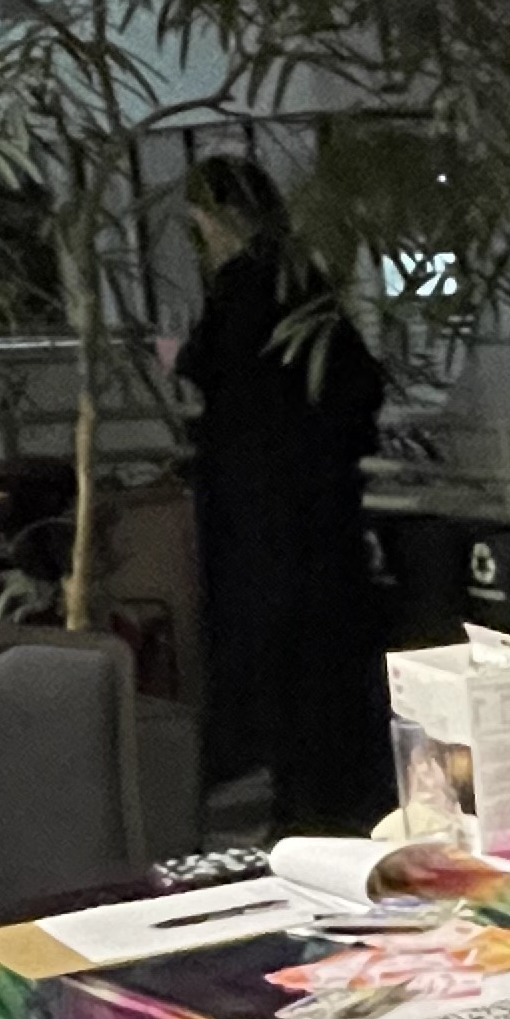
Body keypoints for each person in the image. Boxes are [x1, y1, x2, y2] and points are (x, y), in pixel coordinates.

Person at [179, 152, 386, 832]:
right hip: (321, 508)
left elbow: (213, 373)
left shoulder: (242, 289)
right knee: (325, 660)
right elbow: (356, 386)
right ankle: (337, 798)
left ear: (214, 217)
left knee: (278, 663)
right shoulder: (303, 283)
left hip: (259, 516)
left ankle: (299, 804)